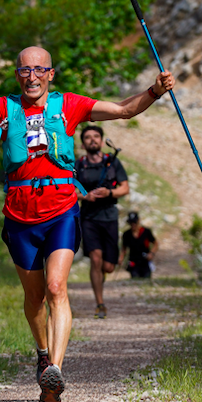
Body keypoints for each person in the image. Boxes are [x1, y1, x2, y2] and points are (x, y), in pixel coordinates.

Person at [0, 46, 173, 402]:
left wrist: (154, 91)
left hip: (61, 210)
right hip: (19, 216)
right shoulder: (4, 107)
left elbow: (123, 110)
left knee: (57, 286)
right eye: (24, 71)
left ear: (50, 74)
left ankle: (54, 373)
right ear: (17, 75)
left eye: (38, 70)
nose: (31, 76)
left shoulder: (70, 105)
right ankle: (43, 352)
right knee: (35, 297)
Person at [75, 125, 129, 319]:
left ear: (102, 140)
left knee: (107, 266)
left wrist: (110, 193)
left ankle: (100, 279)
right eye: (88, 137)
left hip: (109, 217)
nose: (92, 140)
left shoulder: (112, 162)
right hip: (88, 217)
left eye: (96, 136)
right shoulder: (78, 165)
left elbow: (125, 188)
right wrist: (84, 197)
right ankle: (100, 303)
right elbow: (69, 190)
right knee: (95, 259)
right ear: (83, 143)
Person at [119, 211, 158, 279]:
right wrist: (121, 258)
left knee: (146, 278)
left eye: (134, 222)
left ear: (138, 221)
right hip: (133, 262)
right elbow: (124, 248)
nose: (133, 224)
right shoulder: (126, 234)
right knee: (135, 278)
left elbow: (155, 243)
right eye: (131, 223)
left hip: (145, 261)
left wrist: (151, 253)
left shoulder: (146, 231)